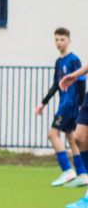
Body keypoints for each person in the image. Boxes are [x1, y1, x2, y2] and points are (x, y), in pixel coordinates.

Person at [34, 27, 87, 187]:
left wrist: (81, 105)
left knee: (52, 134)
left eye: (62, 39)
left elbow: (81, 82)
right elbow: (56, 85)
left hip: (70, 104)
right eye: (56, 39)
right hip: (64, 103)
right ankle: (83, 174)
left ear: (69, 40)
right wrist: (43, 103)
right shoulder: (59, 62)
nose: (59, 42)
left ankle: (67, 170)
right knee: (72, 138)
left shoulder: (74, 59)